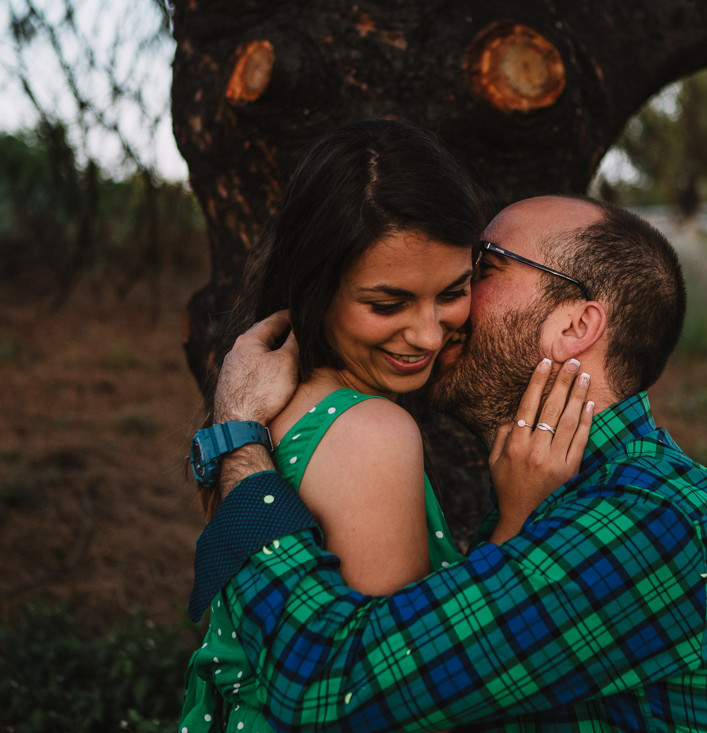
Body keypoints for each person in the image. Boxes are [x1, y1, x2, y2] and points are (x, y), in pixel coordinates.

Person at [185, 195, 707, 731]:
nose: (455, 301)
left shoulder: (650, 519)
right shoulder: (552, 487)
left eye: (486, 266)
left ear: (576, 323)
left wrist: (239, 448)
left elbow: (325, 683)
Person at [180, 121, 593, 732]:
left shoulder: (268, 408)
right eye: (387, 304)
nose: (429, 335)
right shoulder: (372, 433)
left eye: (453, 291)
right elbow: (381, 701)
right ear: (317, 285)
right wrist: (517, 525)